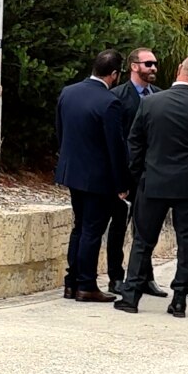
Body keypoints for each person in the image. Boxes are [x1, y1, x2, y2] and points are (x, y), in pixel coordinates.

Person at [114, 56, 188, 318]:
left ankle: (131, 296)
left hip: (154, 181)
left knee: (143, 241)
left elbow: (135, 142)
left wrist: (136, 176)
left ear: (178, 71)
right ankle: (180, 299)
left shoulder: (150, 103)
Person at [54, 49, 130, 303]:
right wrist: (122, 183)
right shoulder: (110, 102)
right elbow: (115, 147)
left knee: (79, 226)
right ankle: (86, 285)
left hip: (72, 172)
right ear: (114, 74)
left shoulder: (68, 92)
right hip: (98, 178)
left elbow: (61, 131)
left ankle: (71, 282)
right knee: (91, 230)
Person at [108, 47, 167, 298]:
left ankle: (145, 278)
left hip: (151, 173)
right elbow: (115, 138)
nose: (153, 68)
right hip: (124, 173)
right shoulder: (117, 97)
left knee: (145, 230)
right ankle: (115, 277)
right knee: (118, 226)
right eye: (148, 63)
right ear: (134, 66)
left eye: (155, 64)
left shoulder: (160, 96)